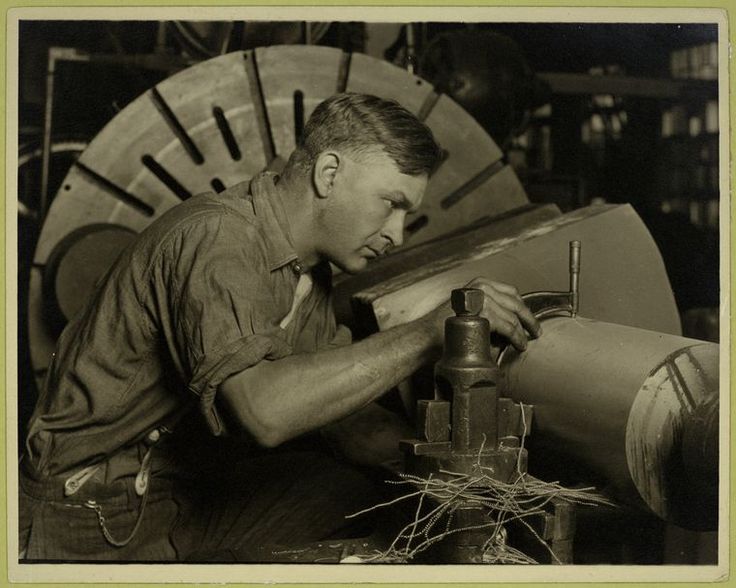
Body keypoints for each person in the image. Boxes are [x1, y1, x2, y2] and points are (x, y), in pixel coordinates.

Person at [19, 92, 540, 562]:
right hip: (89, 518)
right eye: (391, 203)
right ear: (329, 173)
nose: (397, 233)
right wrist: (431, 333)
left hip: (170, 497)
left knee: (354, 494)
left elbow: (349, 425)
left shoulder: (305, 274)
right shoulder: (220, 240)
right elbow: (266, 412)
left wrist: (472, 479)